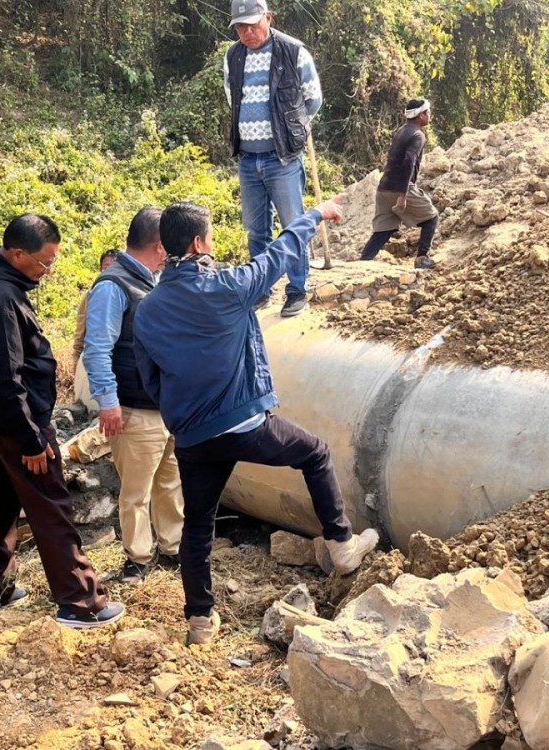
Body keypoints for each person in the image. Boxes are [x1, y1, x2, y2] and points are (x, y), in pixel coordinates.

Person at [134, 197, 379, 646]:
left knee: (198, 526)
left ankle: (200, 622)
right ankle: (343, 547)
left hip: (193, 438)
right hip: (247, 426)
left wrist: (182, 413)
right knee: (316, 453)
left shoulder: (148, 310)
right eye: (208, 236)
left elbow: (150, 377)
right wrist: (315, 215)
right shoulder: (228, 287)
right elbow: (280, 254)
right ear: (197, 243)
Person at [0, 213, 124, 629]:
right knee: (51, 504)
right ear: (16, 253)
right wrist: (32, 439)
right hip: (20, 422)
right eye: (44, 263)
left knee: (0, 499)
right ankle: (79, 601)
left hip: (0, 421)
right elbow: (4, 375)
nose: (47, 271)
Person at [85, 208, 184, 584]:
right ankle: (139, 559)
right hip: (135, 409)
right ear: (160, 245)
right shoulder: (113, 286)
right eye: (169, 246)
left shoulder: (157, 280)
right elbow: (96, 348)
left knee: (170, 483)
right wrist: (108, 402)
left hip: (167, 408)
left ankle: (172, 549)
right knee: (136, 492)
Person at [224, 0, 322, 318]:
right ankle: (261, 289)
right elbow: (232, 98)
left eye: (253, 24)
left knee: (293, 225)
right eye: (240, 26)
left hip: (283, 158)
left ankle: (297, 290)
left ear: (268, 17)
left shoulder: (293, 52)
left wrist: (290, 129)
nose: (247, 32)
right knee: (256, 230)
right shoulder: (233, 56)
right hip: (248, 159)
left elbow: (313, 99)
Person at [359, 99, 440, 269]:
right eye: (428, 112)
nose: (430, 115)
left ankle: (363, 262)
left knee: (384, 229)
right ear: (421, 115)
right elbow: (408, 163)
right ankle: (422, 258)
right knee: (431, 217)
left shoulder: (402, 131)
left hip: (384, 188)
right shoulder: (417, 135)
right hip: (400, 188)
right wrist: (403, 195)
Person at [72, 249, 118, 408]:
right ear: (100, 268)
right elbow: (80, 331)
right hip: (93, 362)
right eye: (106, 267)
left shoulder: (126, 293)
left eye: (114, 267)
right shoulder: (92, 294)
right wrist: (76, 360)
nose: (109, 271)